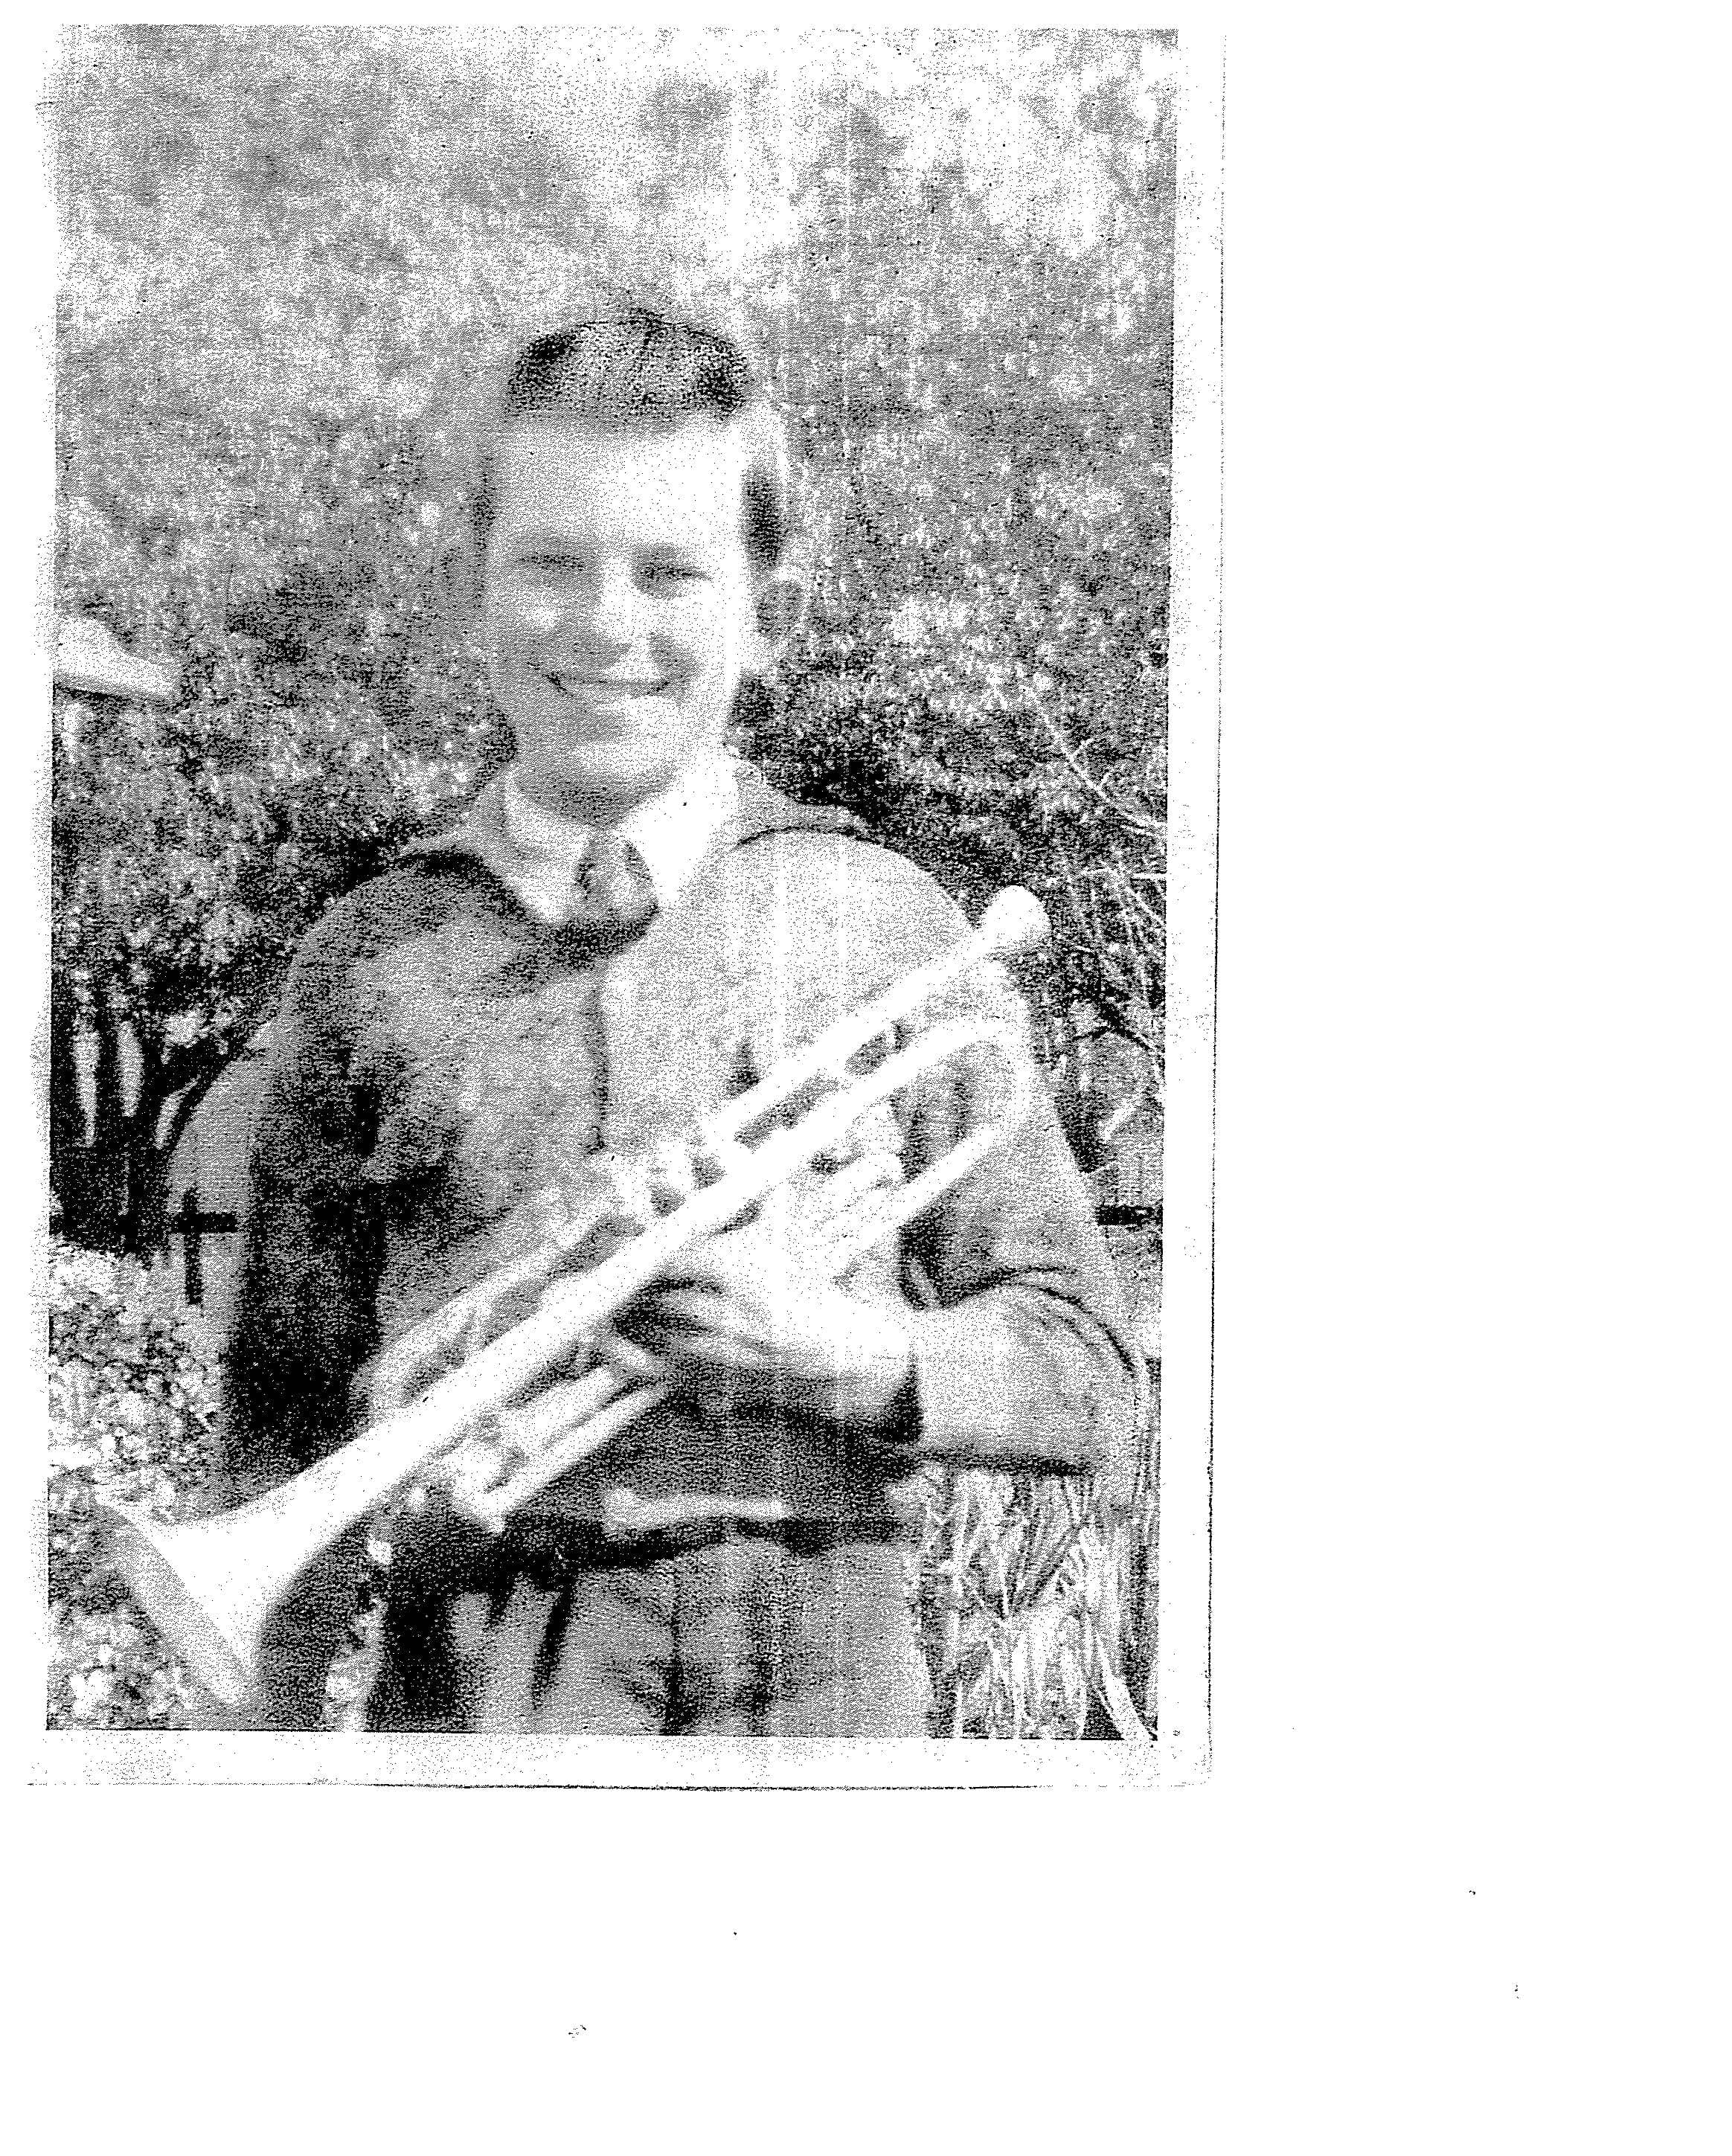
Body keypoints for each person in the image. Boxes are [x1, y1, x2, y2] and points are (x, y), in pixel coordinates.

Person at [214, 300, 1141, 1736]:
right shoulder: (370, 955)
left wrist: (854, 1354)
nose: (608, 624)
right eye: (551, 565)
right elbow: (276, 1418)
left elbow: (1088, 1373)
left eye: (669, 572)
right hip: (491, 1665)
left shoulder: (879, 916)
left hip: (828, 1652)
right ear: (472, 593)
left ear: (766, 614)